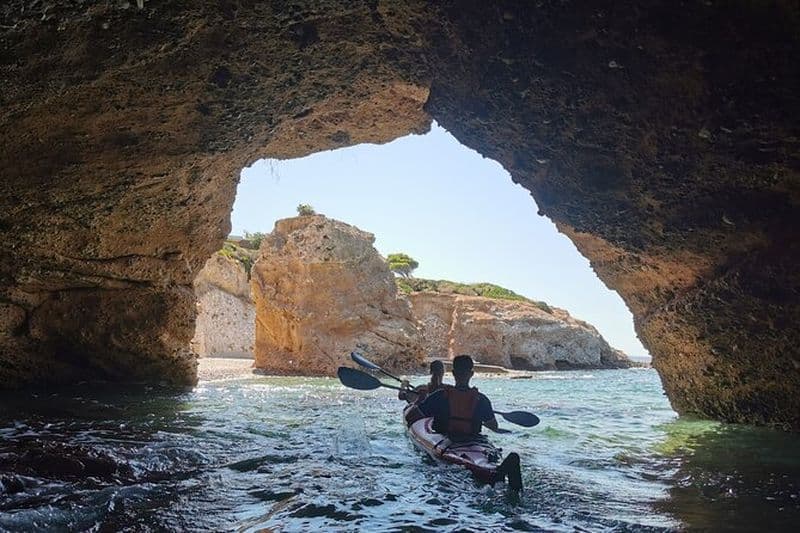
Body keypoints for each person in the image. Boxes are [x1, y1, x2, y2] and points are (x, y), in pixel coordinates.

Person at [405, 355, 499, 437]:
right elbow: (494, 426)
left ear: (453, 373)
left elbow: (410, 418)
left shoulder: (439, 396)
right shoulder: (481, 399)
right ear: (471, 374)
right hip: (472, 440)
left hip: (443, 440)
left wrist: (420, 400)